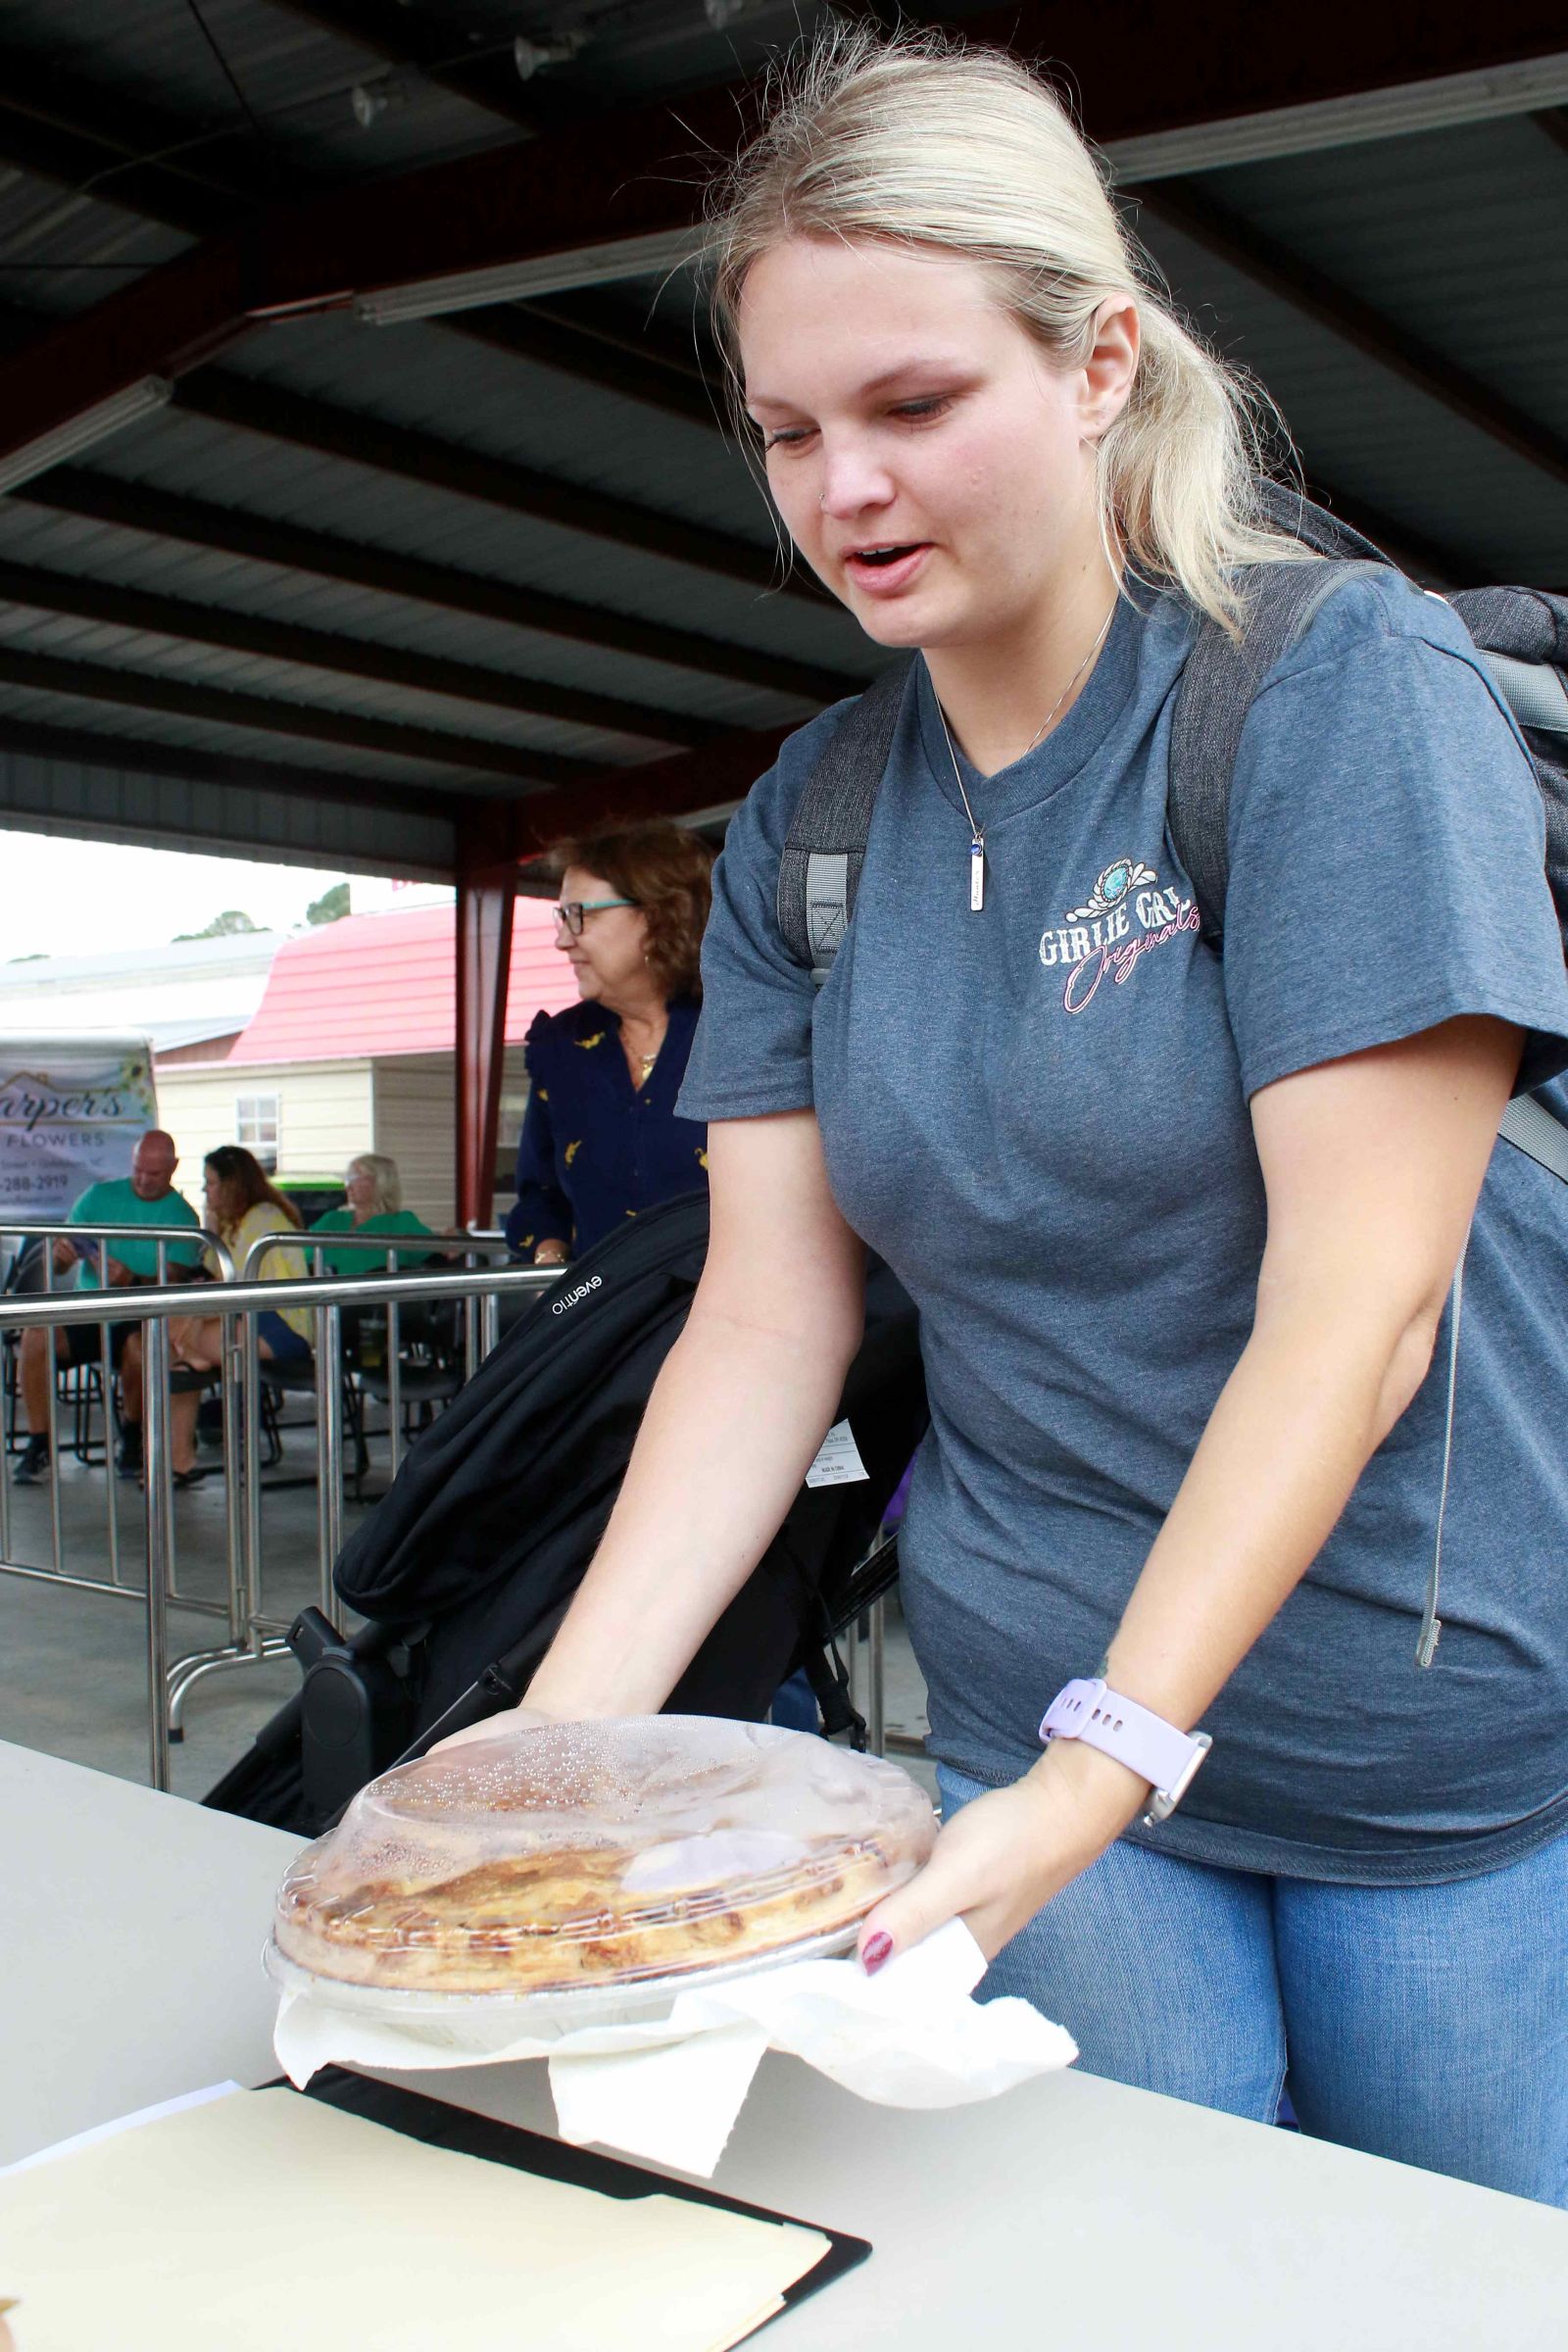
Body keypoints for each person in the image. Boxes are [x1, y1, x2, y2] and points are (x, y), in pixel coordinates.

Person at [439, 31, 1568, 2204]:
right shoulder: (812, 819)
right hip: (1025, 1693)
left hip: (1398, 1730)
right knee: (1128, 2265)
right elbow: (766, 1318)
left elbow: (1361, 1310)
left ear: (1097, 364)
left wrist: (1109, 1762)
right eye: (789, 432)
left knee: (1443, 2281)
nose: (843, 491)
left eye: (912, 405)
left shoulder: (1325, 689)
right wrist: (554, 1744)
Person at [503, 822, 715, 1265]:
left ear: (659, 915)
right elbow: (540, 1194)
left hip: (735, 1304)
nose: (562, 940)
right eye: (562, 917)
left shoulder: (740, 1032)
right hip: (610, 1305)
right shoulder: (561, 1047)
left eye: (580, 914)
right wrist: (549, 1259)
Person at [13, 1129, 203, 1486]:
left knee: (139, 1347)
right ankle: (38, 1441)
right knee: (35, 1335)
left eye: (154, 1174)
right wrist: (62, 1257)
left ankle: (131, 1435)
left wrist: (131, 1280)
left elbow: (176, 1280)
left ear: (174, 1168)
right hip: (90, 1309)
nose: (143, 1180)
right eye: (138, 1170)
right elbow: (57, 1264)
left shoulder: (184, 1217)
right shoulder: (97, 1197)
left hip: (141, 1315)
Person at [129, 1145, 312, 1484]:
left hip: (281, 1323)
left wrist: (194, 1320)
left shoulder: (263, 1219)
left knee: (169, 1346)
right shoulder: (234, 1221)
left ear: (232, 1185)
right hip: (249, 1314)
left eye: (211, 1183)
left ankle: (174, 1457)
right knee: (169, 1350)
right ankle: (177, 1458)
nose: (205, 1190)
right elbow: (217, 1278)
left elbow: (234, 1284)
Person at [307, 1154, 436, 1274]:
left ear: (379, 1182)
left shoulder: (401, 1222)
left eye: (355, 1178)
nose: (348, 1186)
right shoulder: (332, 1219)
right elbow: (301, 1255)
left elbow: (437, 1252)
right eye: (348, 1179)